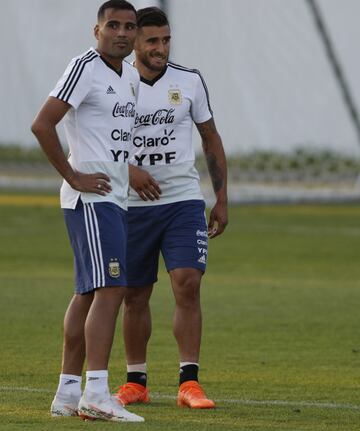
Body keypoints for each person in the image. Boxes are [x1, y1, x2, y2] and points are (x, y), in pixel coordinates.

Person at [31, 0, 144, 422]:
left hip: (113, 197)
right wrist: (75, 176)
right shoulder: (84, 66)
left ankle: (67, 391)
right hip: (90, 198)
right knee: (112, 288)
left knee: (88, 292)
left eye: (129, 26)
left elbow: (112, 138)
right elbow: (43, 124)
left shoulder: (130, 75)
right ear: (96, 31)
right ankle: (98, 391)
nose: (121, 32)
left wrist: (126, 172)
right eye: (112, 25)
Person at [115, 7, 228, 409]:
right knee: (134, 294)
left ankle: (189, 382)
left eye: (166, 40)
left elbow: (210, 138)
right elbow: (91, 142)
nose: (161, 48)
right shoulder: (115, 83)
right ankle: (136, 381)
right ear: (134, 43)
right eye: (152, 41)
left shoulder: (189, 80)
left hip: (182, 200)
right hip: (130, 205)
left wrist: (221, 197)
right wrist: (128, 172)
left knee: (188, 282)